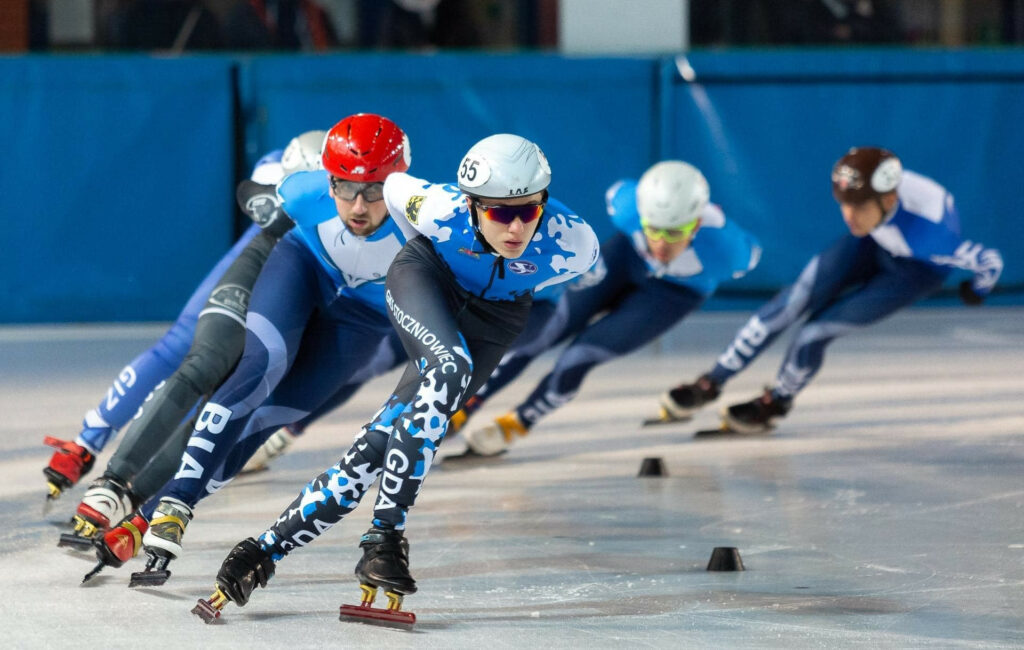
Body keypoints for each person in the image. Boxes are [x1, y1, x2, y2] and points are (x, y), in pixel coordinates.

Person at [194, 133, 599, 622]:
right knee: (450, 369)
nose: (514, 228)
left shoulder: (577, 244)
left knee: (380, 445)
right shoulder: (436, 207)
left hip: (497, 315)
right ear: (471, 204)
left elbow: (549, 275)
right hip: (424, 277)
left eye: (527, 212)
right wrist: (434, 258)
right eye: (497, 212)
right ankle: (384, 538)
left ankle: (261, 552)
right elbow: (390, 195)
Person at [88, 113, 416, 582]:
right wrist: (263, 202)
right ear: (328, 180)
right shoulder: (306, 191)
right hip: (302, 269)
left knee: (271, 415)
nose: (357, 205)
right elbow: (251, 194)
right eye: (343, 187)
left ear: (400, 185)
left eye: (374, 190)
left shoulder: (428, 218)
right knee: (260, 367)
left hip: (361, 317)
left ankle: (148, 517)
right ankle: (177, 502)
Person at [43, 130, 326, 505]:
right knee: (198, 366)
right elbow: (257, 196)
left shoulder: (290, 162)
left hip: (276, 273)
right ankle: (104, 459)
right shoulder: (285, 167)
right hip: (266, 270)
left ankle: (89, 447)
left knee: (195, 364)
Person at [658, 147, 1004, 434]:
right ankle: (711, 382)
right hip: (875, 241)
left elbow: (990, 261)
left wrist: (977, 289)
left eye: (859, 207)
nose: (849, 216)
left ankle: (776, 402)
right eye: (844, 204)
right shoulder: (870, 205)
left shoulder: (932, 236)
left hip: (915, 270)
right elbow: (863, 215)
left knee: (816, 330)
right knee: (792, 302)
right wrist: (868, 219)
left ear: (888, 199)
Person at [458, 160, 761, 456]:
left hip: (674, 292)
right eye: (653, 229)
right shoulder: (627, 206)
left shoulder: (728, 250)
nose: (661, 243)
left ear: (696, 224)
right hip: (625, 258)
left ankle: (519, 422)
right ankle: (468, 402)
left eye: (674, 232)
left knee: (582, 354)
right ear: (642, 217)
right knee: (546, 328)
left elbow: (753, 254)